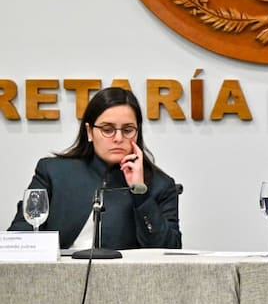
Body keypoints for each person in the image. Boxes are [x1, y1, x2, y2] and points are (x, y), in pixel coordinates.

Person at [8, 87, 182, 250]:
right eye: (108, 129)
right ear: (90, 132)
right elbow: (19, 240)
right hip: (58, 271)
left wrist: (141, 193)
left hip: (123, 273)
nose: (118, 138)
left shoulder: (161, 185)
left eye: (128, 130)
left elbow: (169, 252)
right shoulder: (53, 172)